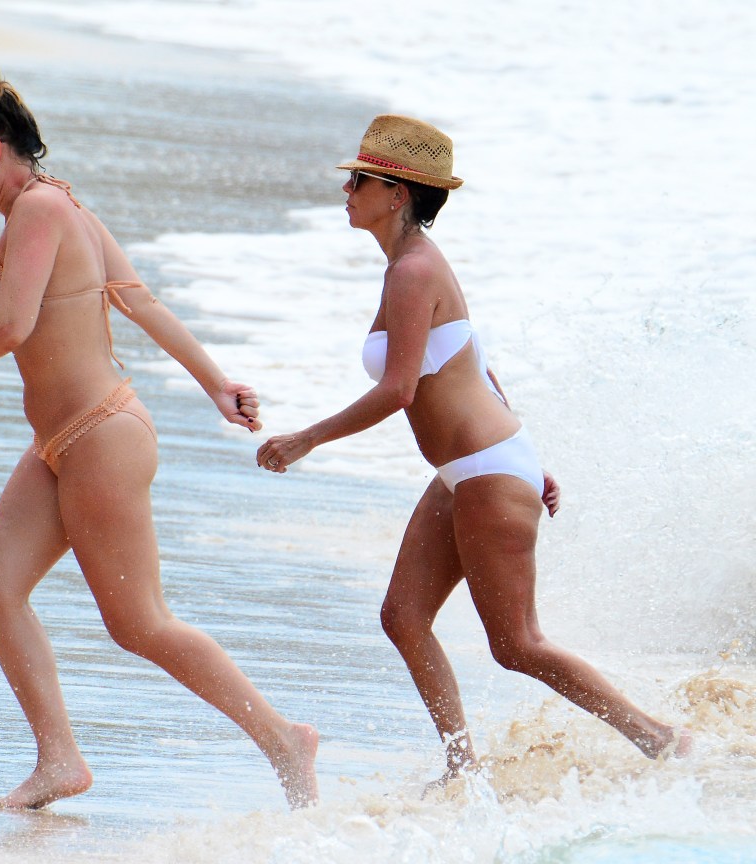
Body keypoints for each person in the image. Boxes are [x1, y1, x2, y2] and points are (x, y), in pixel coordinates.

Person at [0, 58, 318, 811]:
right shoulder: (59, 209)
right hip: (60, 444)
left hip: (100, 434)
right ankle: (59, 760)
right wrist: (217, 385)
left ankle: (286, 739)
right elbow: (138, 299)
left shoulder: (44, 210)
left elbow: (18, 322)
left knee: (139, 623)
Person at [255, 114, 690, 784]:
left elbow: (400, 390)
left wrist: (306, 438)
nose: (346, 190)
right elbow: (472, 361)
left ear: (396, 194)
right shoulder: (410, 265)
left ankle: (659, 738)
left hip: (487, 471)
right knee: (403, 617)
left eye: (359, 180)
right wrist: (524, 453)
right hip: (476, 469)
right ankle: (463, 767)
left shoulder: (412, 272)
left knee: (517, 644)